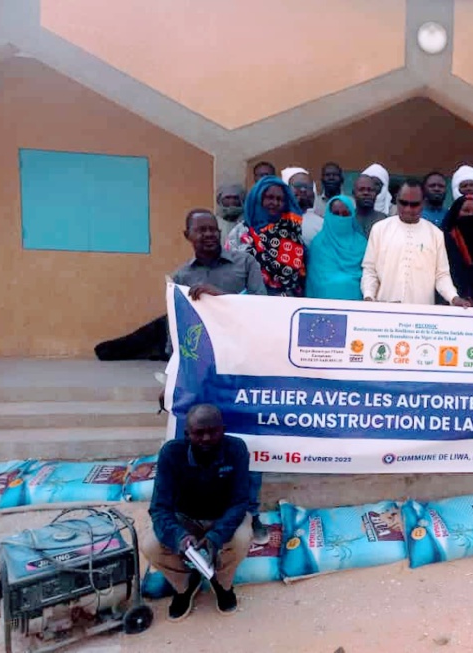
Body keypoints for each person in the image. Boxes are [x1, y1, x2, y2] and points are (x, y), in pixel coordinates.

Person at [174, 210, 269, 546]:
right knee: (203, 444)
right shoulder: (180, 277)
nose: (209, 235)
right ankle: (203, 515)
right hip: (205, 377)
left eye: (213, 229)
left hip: (245, 372)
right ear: (188, 235)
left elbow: (264, 311)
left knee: (249, 446)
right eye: (201, 230)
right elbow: (178, 335)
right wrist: (169, 380)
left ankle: (252, 513)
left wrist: (223, 299)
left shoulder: (244, 264)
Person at [143, 404, 252, 621]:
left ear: (224, 429)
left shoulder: (236, 449)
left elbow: (240, 502)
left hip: (223, 517)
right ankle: (185, 585)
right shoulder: (171, 453)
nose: (206, 438)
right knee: (150, 545)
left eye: (213, 431)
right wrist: (179, 537)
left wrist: (215, 536)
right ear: (187, 433)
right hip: (185, 518)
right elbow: (159, 507)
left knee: (241, 539)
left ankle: (221, 583)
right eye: (198, 433)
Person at [361, 179, 470, 307]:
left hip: (421, 315)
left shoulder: (435, 234)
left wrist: (453, 297)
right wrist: (368, 296)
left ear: (423, 203)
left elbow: (441, 275)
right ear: (396, 200)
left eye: (414, 204)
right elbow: (370, 270)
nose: (408, 209)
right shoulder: (380, 229)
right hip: (385, 309)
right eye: (403, 203)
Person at [226, 175, 306, 297]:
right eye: (269, 198)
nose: (275, 203)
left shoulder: (291, 233)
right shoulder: (240, 233)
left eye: (280, 199)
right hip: (249, 303)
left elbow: (297, 277)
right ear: (258, 198)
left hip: (286, 304)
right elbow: (230, 270)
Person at [306, 195, 368, 300]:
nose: (340, 218)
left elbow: (367, 275)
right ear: (329, 216)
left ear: (352, 216)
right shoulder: (319, 243)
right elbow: (315, 278)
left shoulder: (361, 243)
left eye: (345, 214)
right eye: (336, 214)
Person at [442, 195, 473, 308]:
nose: (471, 215)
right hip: (451, 301)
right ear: (456, 212)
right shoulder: (444, 239)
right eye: (466, 211)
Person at [281, 167, 324, 247]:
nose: (303, 190)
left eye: (308, 187)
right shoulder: (276, 219)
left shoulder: (322, 225)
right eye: (298, 186)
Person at [353, 174, 387, 239]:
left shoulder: (384, 220)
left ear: (376, 193)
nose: (366, 193)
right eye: (361, 189)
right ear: (354, 193)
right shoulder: (348, 219)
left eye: (370, 190)